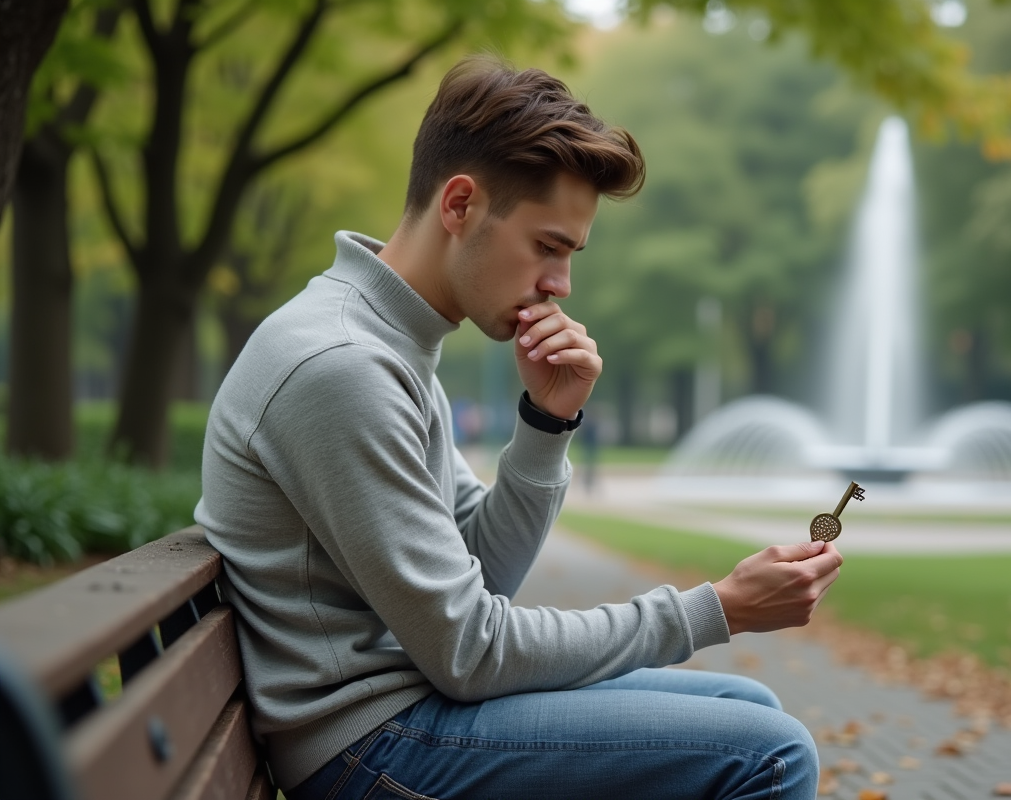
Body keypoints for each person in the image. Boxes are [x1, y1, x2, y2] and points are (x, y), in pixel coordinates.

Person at [195, 55, 843, 800]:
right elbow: (471, 650)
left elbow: (480, 573)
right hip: (368, 751)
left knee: (750, 709)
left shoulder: (385, 344)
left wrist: (548, 418)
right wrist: (714, 610)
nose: (561, 286)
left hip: (402, 713)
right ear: (461, 204)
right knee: (770, 754)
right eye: (548, 247)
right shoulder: (342, 366)